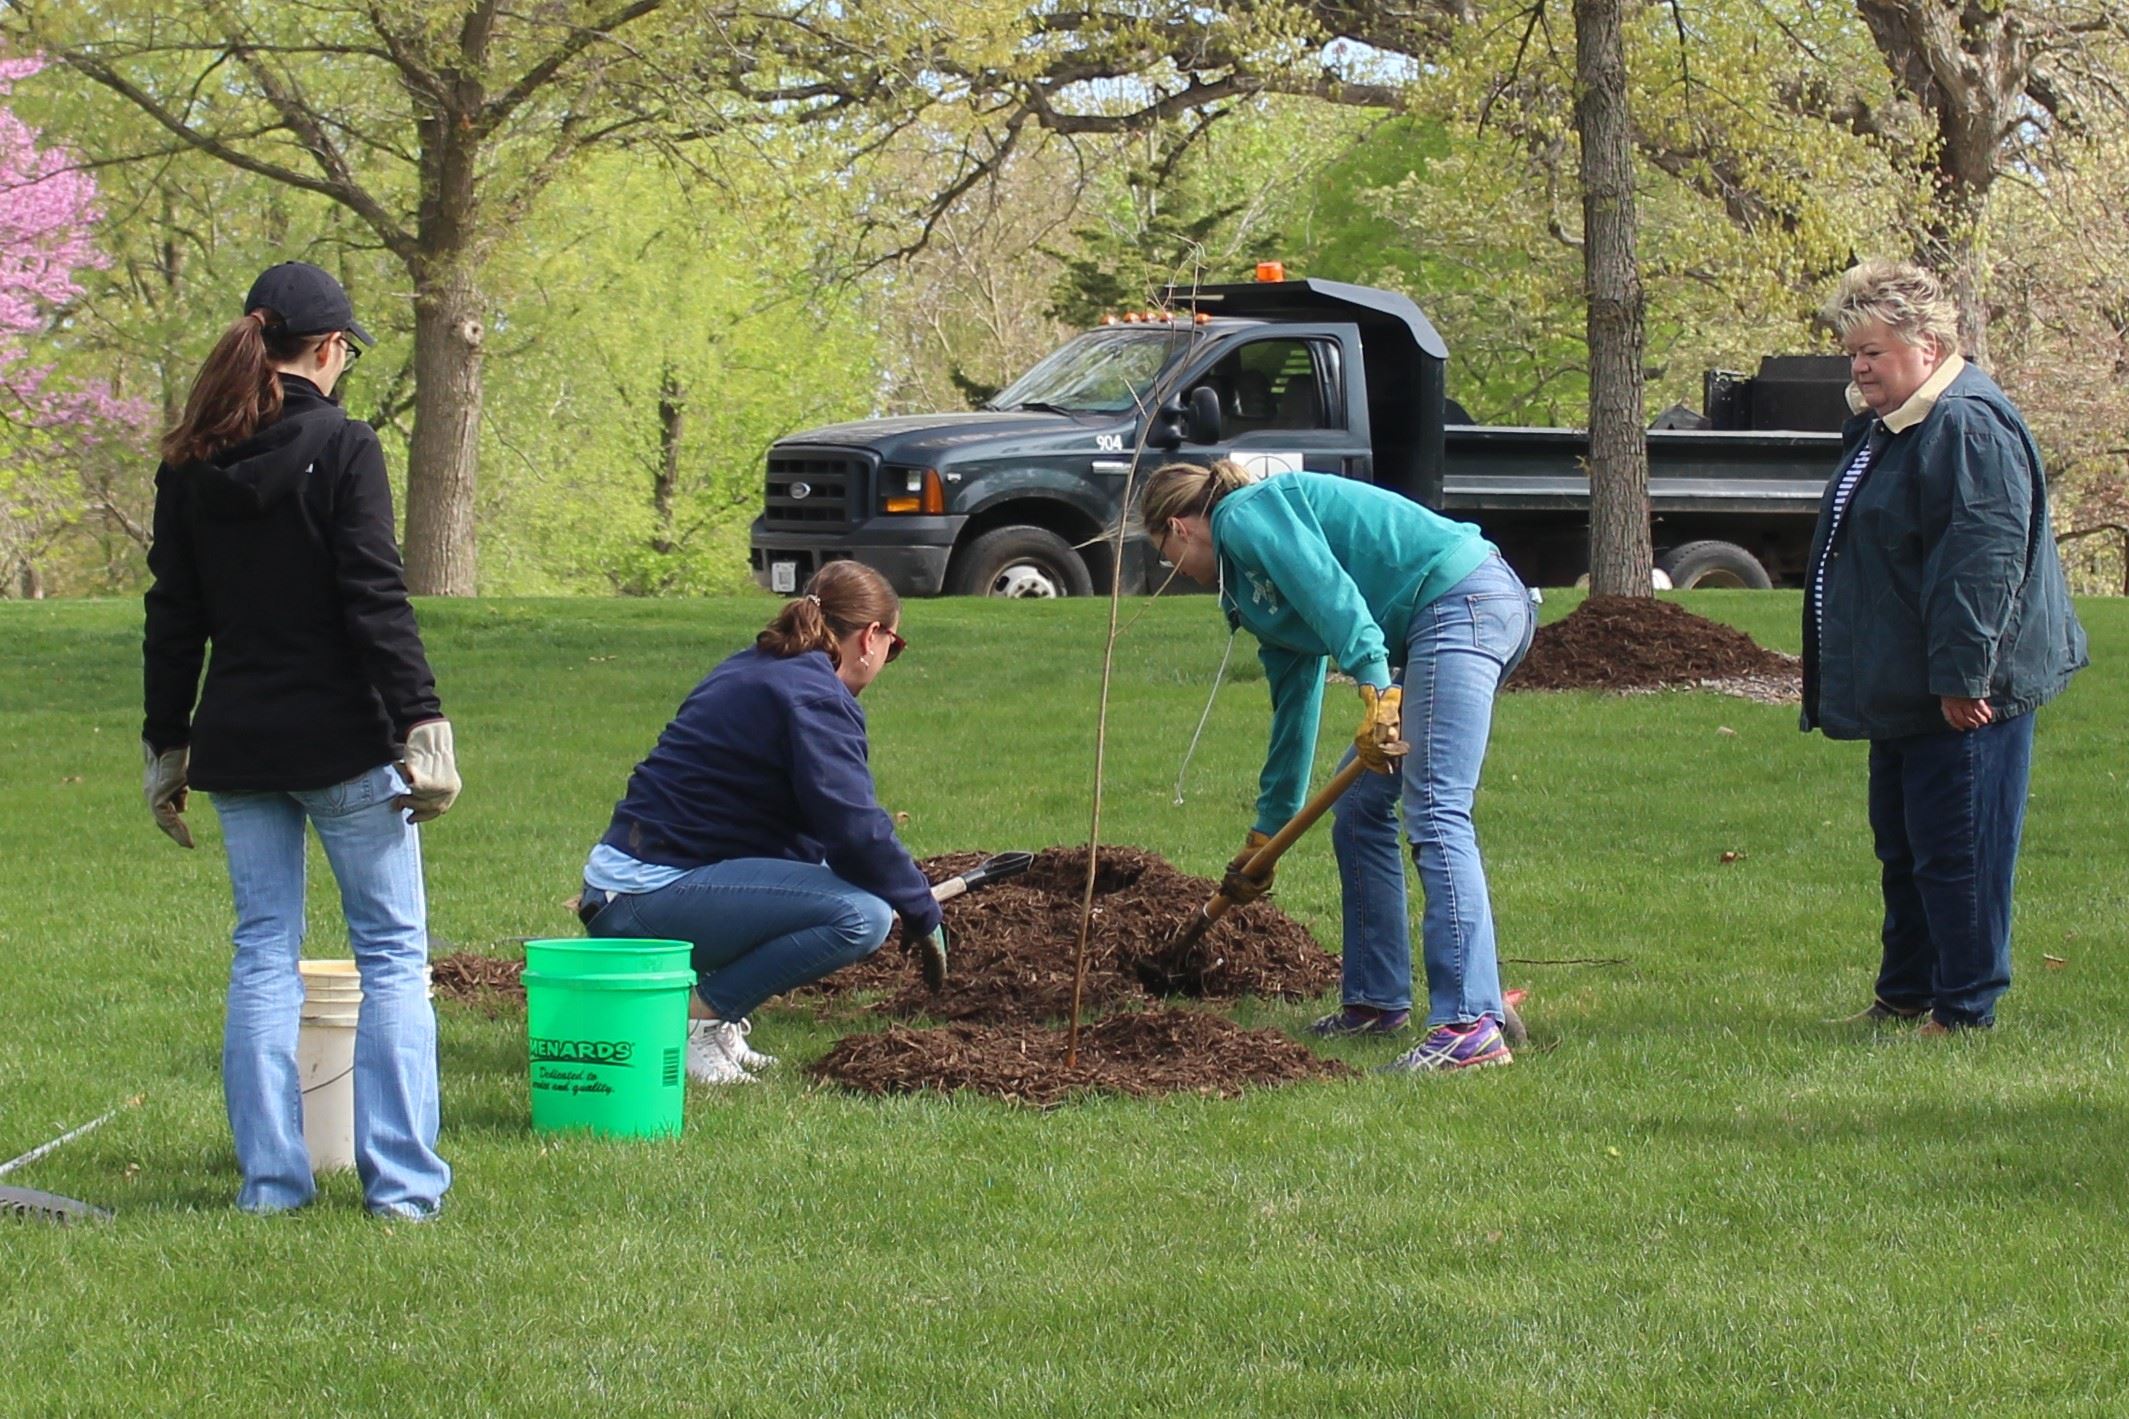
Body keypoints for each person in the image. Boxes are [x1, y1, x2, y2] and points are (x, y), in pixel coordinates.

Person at [142, 261, 461, 1218]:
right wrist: (423, 722)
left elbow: (173, 617)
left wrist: (165, 745)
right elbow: (374, 597)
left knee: (261, 954)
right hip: (345, 747)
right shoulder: (346, 444)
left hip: (237, 749)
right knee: (394, 954)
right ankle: (402, 1191)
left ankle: (271, 1187)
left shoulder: (189, 461)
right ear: (328, 351)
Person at [1141, 460, 1534, 1071]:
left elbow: (1332, 593)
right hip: (1442, 618)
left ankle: (1469, 1027)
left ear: (1178, 527)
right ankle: (1377, 1002)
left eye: (1167, 555)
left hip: (1462, 600)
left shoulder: (1244, 517)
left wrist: (1377, 689)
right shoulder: (1250, 592)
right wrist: (1266, 834)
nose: (1174, 569)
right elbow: (1294, 710)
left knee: (1434, 807)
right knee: (1357, 808)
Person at [1806, 259, 2087, 1034]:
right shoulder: (1890, 422)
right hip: (1907, 684)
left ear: (1927, 345)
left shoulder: (1965, 423)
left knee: (1957, 853)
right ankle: (1903, 994)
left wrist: (1962, 678)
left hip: (1963, 691)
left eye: (1873, 352)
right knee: (1904, 849)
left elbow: (1982, 562)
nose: (1859, 367)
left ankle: (1963, 1008)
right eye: (1852, 353)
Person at [577, 560, 946, 1084]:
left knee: (829, 880)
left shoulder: (756, 666)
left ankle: (712, 1019)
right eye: (895, 645)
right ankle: (693, 1022)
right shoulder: (813, 696)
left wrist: (897, 884)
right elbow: (854, 827)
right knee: (862, 916)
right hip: (642, 904)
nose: (889, 657)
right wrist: (918, 907)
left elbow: (818, 835)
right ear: (871, 637)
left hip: (626, 891)